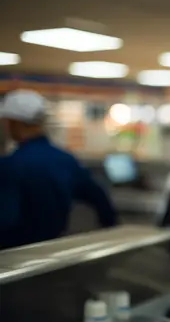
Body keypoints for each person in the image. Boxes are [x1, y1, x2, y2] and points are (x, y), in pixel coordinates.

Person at [0, 89, 118, 250]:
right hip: (54, 252)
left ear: (14, 123)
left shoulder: (11, 165)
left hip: (16, 256)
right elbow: (99, 197)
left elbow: (6, 219)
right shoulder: (65, 160)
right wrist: (112, 232)